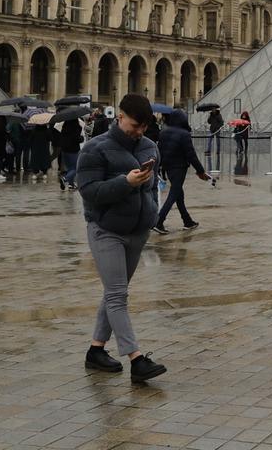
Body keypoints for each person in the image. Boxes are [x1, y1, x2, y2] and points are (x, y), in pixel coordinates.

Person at [76, 93, 167, 384]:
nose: (139, 131)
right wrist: (124, 182)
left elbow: (152, 188)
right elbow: (89, 191)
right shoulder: (94, 148)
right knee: (117, 295)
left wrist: (151, 214)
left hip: (138, 231)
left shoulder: (150, 146)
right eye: (135, 125)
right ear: (120, 117)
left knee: (114, 292)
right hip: (106, 229)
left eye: (144, 126)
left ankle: (95, 350)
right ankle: (136, 359)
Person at [154, 110, 210, 234]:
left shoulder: (164, 131)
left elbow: (159, 150)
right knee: (174, 193)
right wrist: (200, 171)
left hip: (167, 166)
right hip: (179, 167)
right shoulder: (184, 134)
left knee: (179, 194)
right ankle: (159, 221)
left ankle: (187, 221)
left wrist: (159, 166)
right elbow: (191, 154)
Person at [58, 118, 84, 190]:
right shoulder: (77, 128)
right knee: (75, 168)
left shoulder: (64, 127)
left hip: (64, 150)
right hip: (73, 150)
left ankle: (71, 185)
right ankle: (65, 179)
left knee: (70, 168)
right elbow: (77, 139)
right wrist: (82, 138)